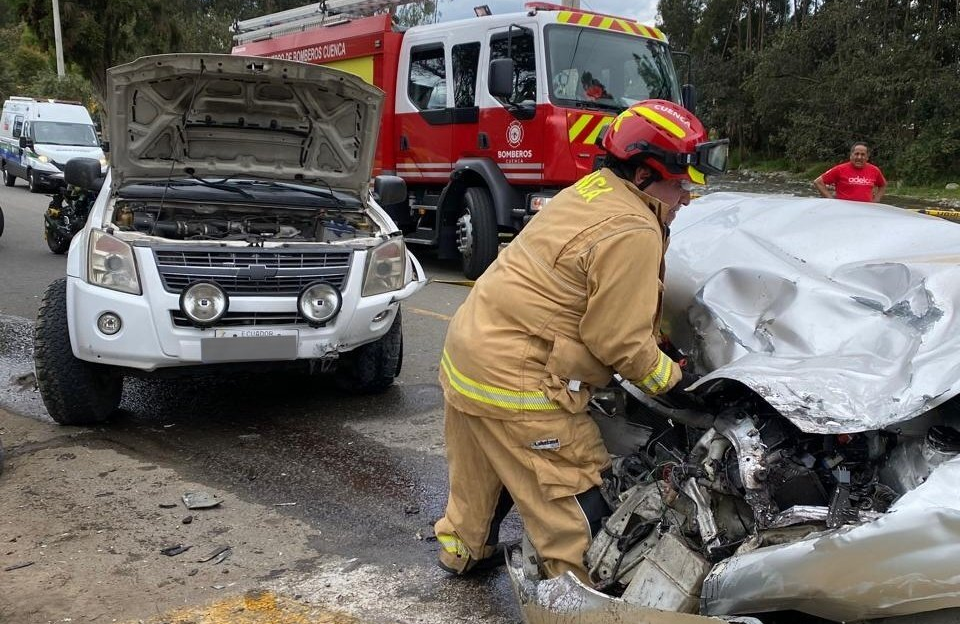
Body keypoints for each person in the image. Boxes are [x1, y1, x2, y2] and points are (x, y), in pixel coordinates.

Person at [433, 100, 728, 583]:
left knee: (480, 472)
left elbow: (589, 292)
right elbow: (618, 343)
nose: (687, 199)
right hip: (519, 380)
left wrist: (658, 344)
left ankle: (462, 551)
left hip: (469, 353)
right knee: (572, 503)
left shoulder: (592, 190)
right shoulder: (634, 227)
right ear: (642, 175)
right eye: (679, 185)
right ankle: (577, 597)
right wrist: (677, 384)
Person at [814, 142, 887, 202]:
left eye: (863, 154)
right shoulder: (839, 169)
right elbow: (818, 182)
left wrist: (876, 200)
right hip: (845, 209)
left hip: (866, 209)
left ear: (867, 157)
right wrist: (832, 200)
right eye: (856, 154)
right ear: (851, 155)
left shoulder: (875, 170)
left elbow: (883, 185)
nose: (859, 157)